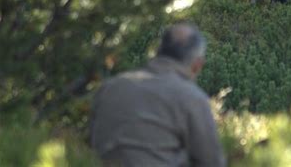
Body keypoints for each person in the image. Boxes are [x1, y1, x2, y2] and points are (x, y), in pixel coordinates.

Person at [90, 23, 226, 167]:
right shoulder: (191, 97)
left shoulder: (110, 87)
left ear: (157, 52)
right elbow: (211, 162)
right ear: (197, 65)